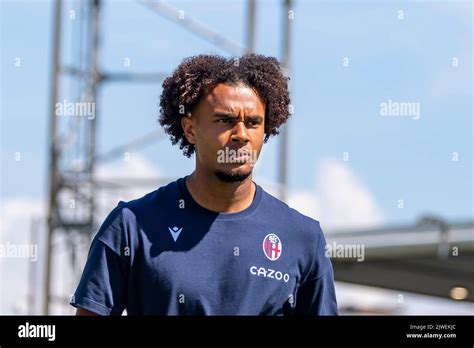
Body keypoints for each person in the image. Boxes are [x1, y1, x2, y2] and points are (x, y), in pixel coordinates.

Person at [71, 54, 338, 315]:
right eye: (225, 120)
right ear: (190, 129)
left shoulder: (303, 237)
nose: (241, 135)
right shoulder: (131, 225)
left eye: (253, 123)